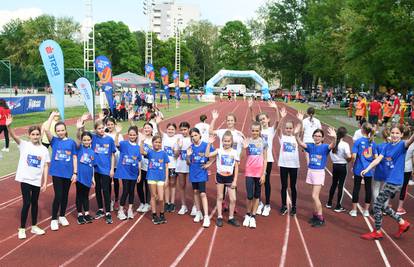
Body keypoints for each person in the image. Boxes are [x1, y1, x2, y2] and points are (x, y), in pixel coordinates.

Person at [360, 124, 413, 240]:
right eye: (393, 133)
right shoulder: (386, 146)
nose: (394, 135)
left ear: (401, 135)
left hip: (396, 181)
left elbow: (409, 141)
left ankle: (378, 231)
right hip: (390, 180)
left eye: (397, 133)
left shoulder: (402, 145)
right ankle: (402, 222)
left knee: (377, 205)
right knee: (382, 206)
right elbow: (378, 159)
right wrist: (367, 169)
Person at [6, 115, 49, 239]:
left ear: (40, 135)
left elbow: (46, 166)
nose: (35, 136)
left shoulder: (44, 150)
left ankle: (34, 226)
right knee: (27, 202)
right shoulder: (24, 145)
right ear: (29, 135)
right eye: (33, 134)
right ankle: (22, 228)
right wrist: (9, 126)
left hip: (36, 180)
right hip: (25, 179)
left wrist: (45, 182)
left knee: (35, 203)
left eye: (37, 134)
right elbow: (14, 136)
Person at [295, 120, 337, 227]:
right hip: (311, 172)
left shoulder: (324, 147)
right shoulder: (310, 146)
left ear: (322, 138)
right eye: (315, 135)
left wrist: (334, 137)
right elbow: (300, 142)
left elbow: (332, 145)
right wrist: (296, 134)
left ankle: (320, 217)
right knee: (313, 196)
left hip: (318, 173)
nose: (317, 137)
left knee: (315, 196)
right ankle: (315, 215)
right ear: (313, 137)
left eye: (319, 136)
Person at [77, 114, 116, 224]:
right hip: (95, 169)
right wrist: (82, 124)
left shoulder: (109, 139)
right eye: (99, 128)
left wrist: (112, 169)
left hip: (106, 169)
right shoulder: (93, 138)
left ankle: (107, 212)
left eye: (103, 127)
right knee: (97, 189)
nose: (101, 129)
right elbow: (85, 135)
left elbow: (113, 155)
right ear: (95, 130)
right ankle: (100, 209)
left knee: (106, 190)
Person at [44, 112, 77, 231]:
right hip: (57, 173)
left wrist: (75, 173)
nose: (60, 132)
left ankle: (62, 215)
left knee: (65, 195)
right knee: (58, 195)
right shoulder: (54, 141)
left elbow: (74, 157)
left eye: (62, 130)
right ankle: (54, 219)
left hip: (68, 173)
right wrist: (52, 117)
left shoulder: (71, 142)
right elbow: (46, 129)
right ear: (56, 132)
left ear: (66, 130)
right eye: (58, 131)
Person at [249, 100, 279, 216]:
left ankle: (267, 204)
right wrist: (251, 108)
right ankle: (259, 202)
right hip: (258, 159)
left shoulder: (271, 130)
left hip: (268, 159)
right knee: (258, 182)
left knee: (266, 181)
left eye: (264, 119)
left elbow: (277, 121)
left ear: (268, 120)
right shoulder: (259, 130)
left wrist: (276, 109)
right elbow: (253, 120)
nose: (262, 121)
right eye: (260, 119)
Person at [206, 131, 240, 227]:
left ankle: (231, 217)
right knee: (220, 197)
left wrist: (235, 180)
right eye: (225, 141)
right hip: (220, 177)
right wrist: (209, 143)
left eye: (228, 141)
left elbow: (236, 167)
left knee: (233, 199)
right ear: (222, 141)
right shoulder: (219, 150)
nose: (226, 143)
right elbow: (207, 155)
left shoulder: (234, 152)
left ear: (231, 142)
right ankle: (220, 216)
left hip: (230, 178)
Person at [186, 128, 214, 227]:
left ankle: (206, 216)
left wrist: (209, 163)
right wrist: (188, 156)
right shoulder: (190, 147)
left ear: (199, 135)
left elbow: (215, 154)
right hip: (193, 172)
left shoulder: (206, 145)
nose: (194, 137)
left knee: (202, 194)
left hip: (202, 173)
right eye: (192, 136)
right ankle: (198, 212)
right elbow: (188, 163)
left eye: (195, 135)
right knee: (195, 192)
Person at [242, 122, 267, 228]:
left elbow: (265, 159)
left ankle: (253, 216)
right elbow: (242, 157)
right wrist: (244, 147)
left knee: (257, 195)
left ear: (260, 131)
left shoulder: (264, 142)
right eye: (253, 130)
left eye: (257, 130)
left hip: (259, 172)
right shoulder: (247, 141)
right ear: (250, 130)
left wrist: (264, 174)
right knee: (249, 195)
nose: (255, 132)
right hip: (249, 171)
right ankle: (247, 214)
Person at [140, 135, 170, 225]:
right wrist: (141, 143)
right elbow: (141, 152)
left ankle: (161, 214)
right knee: (153, 196)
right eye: (156, 142)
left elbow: (166, 166)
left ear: (161, 144)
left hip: (161, 178)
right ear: (152, 143)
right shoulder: (150, 152)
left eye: (159, 142)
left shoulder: (164, 153)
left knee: (161, 198)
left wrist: (167, 178)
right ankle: (154, 215)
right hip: (151, 177)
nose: (157, 144)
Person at [114, 125, 142, 220]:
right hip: (125, 172)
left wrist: (139, 174)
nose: (132, 136)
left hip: (134, 172)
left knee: (131, 191)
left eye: (134, 135)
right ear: (128, 135)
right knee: (125, 190)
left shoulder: (138, 147)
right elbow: (116, 143)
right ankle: (120, 210)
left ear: (137, 135)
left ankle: (130, 209)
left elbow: (139, 161)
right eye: (130, 135)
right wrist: (117, 133)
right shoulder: (124, 144)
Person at [349, 123, 377, 217]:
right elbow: (376, 157)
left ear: (362, 130)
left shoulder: (358, 141)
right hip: (368, 169)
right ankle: (366, 211)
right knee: (368, 189)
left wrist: (353, 165)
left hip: (358, 168)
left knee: (356, 188)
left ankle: (354, 210)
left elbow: (353, 156)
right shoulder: (373, 143)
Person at [277, 108, 300, 215]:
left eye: (290, 128)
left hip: (294, 166)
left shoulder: (296, 138)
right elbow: (278, 129)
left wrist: (300, 121)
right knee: (284, 186)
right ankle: (284, 205)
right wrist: (282, 118)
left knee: (293, 186)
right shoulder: (282, 137)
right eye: (287, 128)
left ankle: (294, 206)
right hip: (283, 165)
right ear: (285, 129)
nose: (289, 129)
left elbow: (301, 130)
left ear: (293, 129)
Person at [326, 127, 351, 212]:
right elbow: (348, 157)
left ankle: (329, 202)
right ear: (345, 135)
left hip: (335, 165)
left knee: (333, 184)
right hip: (342, 166)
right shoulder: (345, 144)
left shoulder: (333, 143)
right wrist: (349, 159)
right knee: (341, 186)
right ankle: (338, 206)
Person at [157, 120, 179, 212]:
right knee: (165, 185)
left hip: (173, 165)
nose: (170, 131)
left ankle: (172, 203)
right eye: (169, 129)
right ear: (166, 130)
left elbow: (177, 154)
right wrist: (158, 123)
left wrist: (177, 149)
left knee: (172, 184)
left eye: (172, 129)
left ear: (175, 130)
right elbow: (159, 130)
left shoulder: (177, 138)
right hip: (164, 166)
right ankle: (167, 202)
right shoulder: (164, 136)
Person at [74, 128, 95, 224]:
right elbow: (78, 139)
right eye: (84, 140)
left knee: (86, 195)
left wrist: (93, 177)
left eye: (88, 140)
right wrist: (79, 129)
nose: (86, 141)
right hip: (79, 177)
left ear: (91, 140)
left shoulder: (92, 152)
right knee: (79, 195)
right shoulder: (79, 148)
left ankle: (86, 213)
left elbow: (92, 165)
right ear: (82, 140)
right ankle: (79, 214)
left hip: (88, 177)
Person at [105, 117, 124, 212]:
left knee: (116, 181)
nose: (110, 126)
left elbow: (119, 146)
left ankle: (116, 199)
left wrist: (117, 134)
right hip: (107, 162)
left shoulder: (119, 135)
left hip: (117, 161)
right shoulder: (104, 134)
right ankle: (109, 201)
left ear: (114, 125)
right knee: (108, 182)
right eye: (108, 124)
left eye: (111, 124)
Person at [135, 122, 153, 213]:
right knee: (139, 185)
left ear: (152, 129)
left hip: (149, 166)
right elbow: (134, 129)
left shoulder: (153, 139)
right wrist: (130, 119)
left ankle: (147, 203)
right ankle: (142, 202)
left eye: (148, 128)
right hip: (139, 166)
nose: (146, 129)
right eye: (145, 128)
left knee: (147, 185)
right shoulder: (140, 138)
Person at [176, 121, 192, 215]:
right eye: (181, 130)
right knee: (182, 185)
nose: (183, 132)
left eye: (185, 129)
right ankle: (183, 206)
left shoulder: (192, 138)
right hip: (180, 164)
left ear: (188, 129)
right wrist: (179, 146)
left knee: (191, 186)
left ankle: (194, 206)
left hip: (190, 165)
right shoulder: (178, 139)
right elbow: (176, 154)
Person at [372, 129, 389, 202]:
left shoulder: (378, 146)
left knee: (376, 188)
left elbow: (375, 158)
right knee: (386, 190)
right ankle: (384, 207)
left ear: (382, 136)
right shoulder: (393, 147)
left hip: (379, 169)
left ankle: (376, 207)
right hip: (389, 170)